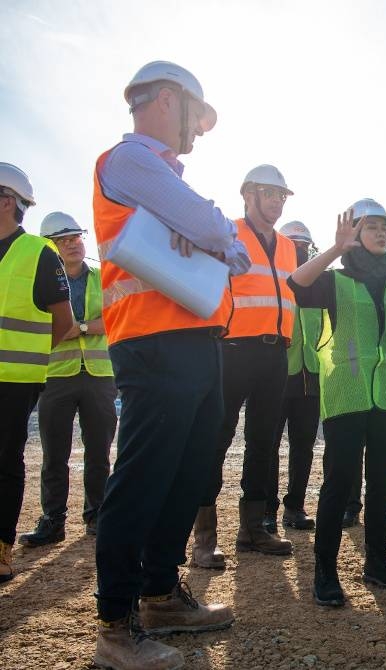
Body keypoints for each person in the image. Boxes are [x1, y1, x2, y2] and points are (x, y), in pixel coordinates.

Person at [92, 61, 243, 668]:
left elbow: (226, 247)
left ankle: (159, 593)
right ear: (164, 100)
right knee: (145, 477)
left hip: (192, 340)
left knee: (188, 473)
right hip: (153, 343)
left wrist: (207, 232)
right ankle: (115, 627)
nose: (200, 132)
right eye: (196, 117)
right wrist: (201, 226)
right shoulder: (127, 160)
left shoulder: (160, 176)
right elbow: (212, 227)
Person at [289, 198, 386, 608]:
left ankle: (377, 563)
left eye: (385, 227)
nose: (381, 233)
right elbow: (295, 284)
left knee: (381, 486)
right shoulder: (335, 280)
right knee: (338, 484)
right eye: (371, 227)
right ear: (355, 235)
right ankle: (325, 572)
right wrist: (334, 248)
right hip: (347, 395)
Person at [196, 164, 297, 564]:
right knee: (215, 440)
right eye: (269, 194)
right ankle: (204, 537)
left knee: (264, 444)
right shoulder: (228, 233)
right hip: (232, 350)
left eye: (281, 195)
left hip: (276, 353)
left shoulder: (289, 246)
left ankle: (254, 529)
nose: (275, 202)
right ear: (248, 194)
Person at [19, 213, 115, 548]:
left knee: (99, 452)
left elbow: (116, 318)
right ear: (49, 246)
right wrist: (88, 325)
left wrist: (82, 328)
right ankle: (53, 522)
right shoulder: (37, 280)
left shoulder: (103, 278)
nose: (73, 243)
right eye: (63, 240)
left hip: (100, 376)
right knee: (54, 455)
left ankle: (98, 517)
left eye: (76, 237)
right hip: (57, 376)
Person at [0, 163, 73, 583]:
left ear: (7, 201)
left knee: (4, 463)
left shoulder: (39, 254)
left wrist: (24, 354)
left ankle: (2, 548)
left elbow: (61, 324)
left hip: (14, 380)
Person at [264, 221, 322, 534]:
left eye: (305, 246)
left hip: (310, 376)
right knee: (267, 445)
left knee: (303, 446)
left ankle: (295, 507)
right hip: (276, 374)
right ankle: (266, 510)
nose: (301, 251)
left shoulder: (318, 288)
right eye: (294, 245)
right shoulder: (273, 281)